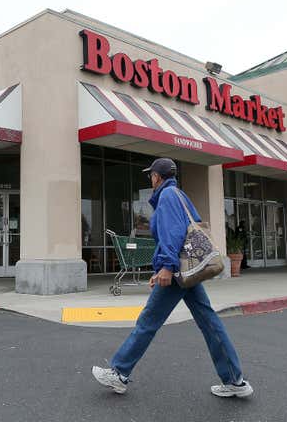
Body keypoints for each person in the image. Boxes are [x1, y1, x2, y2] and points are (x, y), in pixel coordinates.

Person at [91, 158, 253, 398]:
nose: (150, 179)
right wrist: (160, 269)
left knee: (148, 321)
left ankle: (119, 372)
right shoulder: (178, 195)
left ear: (157, 176)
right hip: (186, 271)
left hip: (177, 272)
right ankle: (234, 380)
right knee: (209, 321)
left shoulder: (167, 197)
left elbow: (173, 233)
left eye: (151, 175)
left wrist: (166, 267)